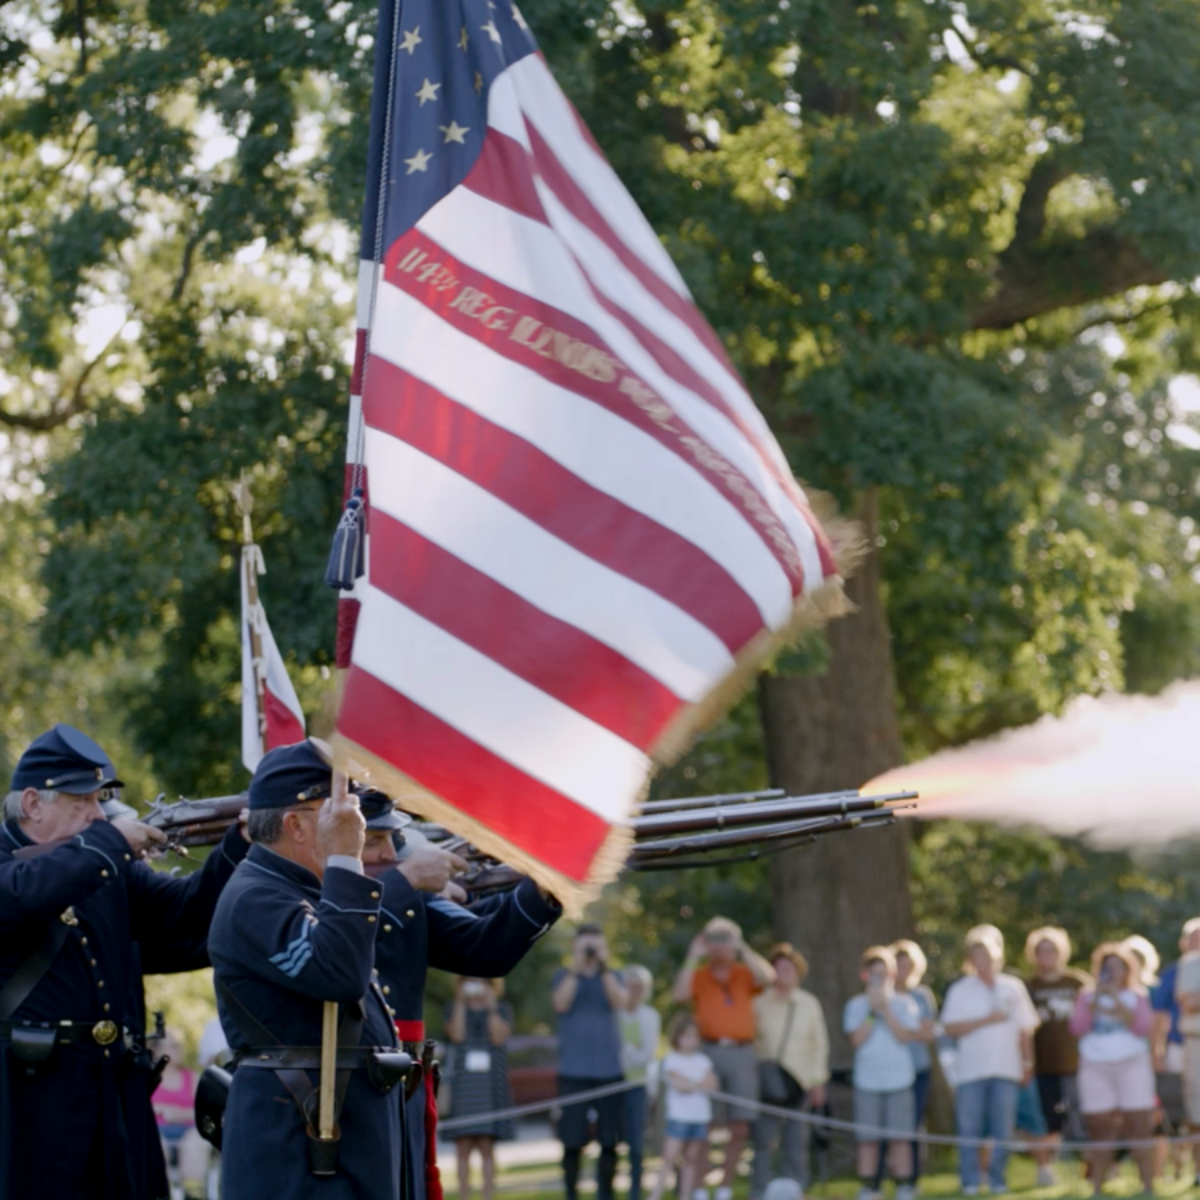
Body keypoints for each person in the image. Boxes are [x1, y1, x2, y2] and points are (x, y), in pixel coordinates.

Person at [0, 722, 250, 1200]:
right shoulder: (59, 859)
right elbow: (26, 892)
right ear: (32, 803)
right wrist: (113, 843)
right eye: (85, 803)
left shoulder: (103, 866)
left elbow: (187, 910)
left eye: (100, 802)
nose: (100, 815)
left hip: (114, 1092)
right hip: (32, 1100)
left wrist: (237, 842)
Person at [207, 739, 404, 1200]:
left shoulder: (303, 889)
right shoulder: (255, 898)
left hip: (338, 1137)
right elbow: (338, 975)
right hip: (298, 1144)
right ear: (295, 825)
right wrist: (345, 859)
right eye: (336, 811)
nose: (354, 823)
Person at [358, 787, 562, 1200]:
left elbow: (484, 948)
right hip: (346, 1090)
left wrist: (544, 886)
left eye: (390, 841)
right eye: (372, 841)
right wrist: (406, 881)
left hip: (403, 1085)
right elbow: (343, 933)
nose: (387, 854)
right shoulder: (315, 896)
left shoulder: (400, 895)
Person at [673, 916, 776, 1200]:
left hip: (742, 1053)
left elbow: (768, 978)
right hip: (708, 1052)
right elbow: (680, 994)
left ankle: (725, 1188)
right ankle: (698, 1189)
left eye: (724, 939)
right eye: (714, 939)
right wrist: (694, 955)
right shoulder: (700, 974)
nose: (720, 945)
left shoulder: (744, 973)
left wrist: (741, 946)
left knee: (740, 1126)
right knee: (705, 1125)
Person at [940, 924, 1040, 1196]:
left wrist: (1027, 1064)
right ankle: (970, 1180)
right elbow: (949, 1027)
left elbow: (1026, 1029)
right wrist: (986, 1020)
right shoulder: (960, 989)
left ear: (997, 955)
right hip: (971, 1071)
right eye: (976, 954)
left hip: (1007, 1069)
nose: (981, 960)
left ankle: (997, 1179)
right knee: (969, 1129)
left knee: (1003, 1130)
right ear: (969, 958)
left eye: (986, 953)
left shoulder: (1013, 987)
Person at [1069, 941, 1156, 1194]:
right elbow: (1077, 1028)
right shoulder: (1086, 997)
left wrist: (1116, 1000)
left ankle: (1148, 1186)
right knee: (1099, 1127)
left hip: (1132, 1066)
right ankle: (1098, 1187)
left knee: (1139, 1125)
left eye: (1119, 967)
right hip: (1095, 1067)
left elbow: (1141, 1028)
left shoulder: (1137, 996)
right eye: (1108, 967)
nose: (1113, 972)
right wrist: (1096, 999)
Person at [552, 923, 629, 1200]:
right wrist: (576, 967)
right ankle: (571, 1193)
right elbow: (560, 1003)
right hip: (573, 1072)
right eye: (586, 944)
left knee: (610, 1140)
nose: (590, 950)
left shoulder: (614, 975)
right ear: (575, 946)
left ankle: (605, 1193)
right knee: (571, 1141)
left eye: (595, 944)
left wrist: (604, 965)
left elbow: (619, 1002)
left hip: (609, 1071)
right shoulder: (563, 976)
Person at [752, 943, 829, 1199]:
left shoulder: (808, 1004)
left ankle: (796, 1188)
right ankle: (760, 1190)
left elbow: (819, 1044)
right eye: (779, 967)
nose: (784, 972)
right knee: (764, 1139)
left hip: (800, 1083)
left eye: (789, 968)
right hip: (769, 1083)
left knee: (796, 1141)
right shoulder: (759, 1003)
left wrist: (817, 1080)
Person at [843, 945, 919, 1200]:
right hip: (867, 1081)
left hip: (899, 1079)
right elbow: (856, 1040)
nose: (880, 978)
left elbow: (904, 1036)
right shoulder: (856, 1005)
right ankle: (869, 1187)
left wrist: (885, 1009)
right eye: (874, 973)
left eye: (884, 973)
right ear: (865, 975)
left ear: (892, 974)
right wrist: (872, 1014)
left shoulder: (904, 1003)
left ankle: (903, 1186)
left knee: (900, 1138)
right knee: (868, 1139)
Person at [1022, 926, 1090, 1185]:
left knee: (1080, 1118)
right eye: (1042, 951)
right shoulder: (1028, 986)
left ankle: (1091, 1168)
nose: (1047, 955)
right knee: (1046, 1119)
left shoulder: (1078, 983)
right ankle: (1047, 1169)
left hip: (1076, 1064)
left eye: (1052, 950)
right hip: (1041, 1065)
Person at [446, 977, 514, 1200]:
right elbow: (457, 1034)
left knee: (487, 1144)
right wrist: (460, 1001)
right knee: (463, 1145)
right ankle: (464, 1195)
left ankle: (487, 1196)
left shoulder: (502, 1009)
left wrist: (491, 1004)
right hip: (464, 1084)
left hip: (489, 1083)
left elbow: (498, 1037)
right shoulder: (454, 1008)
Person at [649, 1013, 718, 1200]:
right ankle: (655, 1195)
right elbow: (679, 1086)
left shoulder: (703, 1061)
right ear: (677, 1037)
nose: (690, 1040)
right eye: (686, 1035)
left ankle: (685, 1196)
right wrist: (697, 1084)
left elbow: (712, 1085)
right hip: (678, 1117)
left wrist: (689, 1082)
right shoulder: (671, 1059)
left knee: (691, 1160)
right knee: (669, 1159)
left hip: (699, 1117)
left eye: (694, 1036)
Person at [1152, 918, 1200, 1185]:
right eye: (1194, 937)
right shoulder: (1174, 971)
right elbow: (1184, 1005)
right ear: (1184, 941)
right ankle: (1179, 1164)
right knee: (1180, 1110)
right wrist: (1156, 1051)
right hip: (1183, 1045)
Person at [891, 940, 937, 1187]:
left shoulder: (922, 995)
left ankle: (911, 1180)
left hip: (918, 1069)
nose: (903, 970)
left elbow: (927, 1033)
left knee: (913, 1124)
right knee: (892, 1126)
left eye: (907, 965)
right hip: (889, 1071)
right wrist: (911, 1028)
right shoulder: (883, 995)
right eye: (898, 965)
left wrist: (900, 1028)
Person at [621, 964, 662, 1200]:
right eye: (630, 985)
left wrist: (627, 1052)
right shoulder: (614, 1014)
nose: (634, 991)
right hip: (613, 1084)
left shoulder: (650, 1016)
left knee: (637, 1141)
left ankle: (635, 1191)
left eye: (639, 987)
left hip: (638, 1085)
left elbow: (646, 1054)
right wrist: (629, 1051)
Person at [152, 1028, 209, 1194]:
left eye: (179, 1046)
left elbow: (202, 1110)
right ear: (157, 1050)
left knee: (195, 1141)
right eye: (173, 1046)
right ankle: (162, 1190)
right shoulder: (148, 1077)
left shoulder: (192, 1077)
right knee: (154, 1140)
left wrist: (178, 1113)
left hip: (188, 1129)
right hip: (157, 1130)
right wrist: (163, 1109)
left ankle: (192, 1191)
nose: (178, 1050)